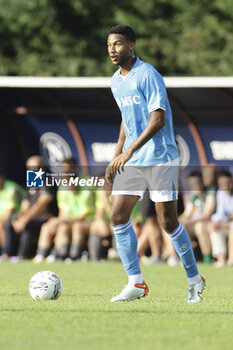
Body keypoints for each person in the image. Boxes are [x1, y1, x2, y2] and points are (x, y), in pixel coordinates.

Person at [105, 24, 205, 303]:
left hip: (160, 157)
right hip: (133, 159)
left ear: (132, 45)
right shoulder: (115, 81)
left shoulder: (148, 74)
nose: (113, 49)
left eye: (119, 44)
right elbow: (127, 120)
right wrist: (117, 155)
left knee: (167, 221)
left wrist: (129, 151)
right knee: (117, 216)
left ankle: (195, 279)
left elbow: (157, 119)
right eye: (110, 45)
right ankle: (136, 282)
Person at [2, 156, 57, 260]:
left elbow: (40, 205)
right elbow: (25, 205)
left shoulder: (49, 181)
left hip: (45, 218)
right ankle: (6, 254)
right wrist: (18, 218)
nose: (33, 170)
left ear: (42, 168)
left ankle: (22, 255)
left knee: (28, 224)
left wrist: (24, 219)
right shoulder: (32, 183)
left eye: (36, 167)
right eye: (30, 168)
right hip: (31, 218)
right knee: (9, 222)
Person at [179, 171, 215, 264]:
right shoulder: (193, 194)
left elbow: (207, 215)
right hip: (195, 223)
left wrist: (188, 221)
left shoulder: (210, 191)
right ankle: (187, 258)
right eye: (192, 184)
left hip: (210, 223)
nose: (195, 186)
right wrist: (179, 221)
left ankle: (207, 259)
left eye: (197, 182)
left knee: (200, 227)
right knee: (178, 227)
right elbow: (187, 213)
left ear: (202, 181)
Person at [209, 171, 233, 267]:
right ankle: (221, 260)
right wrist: (215, 222)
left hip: (230, 225)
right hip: (226, 224)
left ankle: (231, 259)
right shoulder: (220, 193)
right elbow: (220, 214)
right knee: (214, 229)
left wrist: (225, 222)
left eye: (227, 182)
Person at [0, 169, 24, 256]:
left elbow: (8, 214)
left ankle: (6, 253)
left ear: (2, 178)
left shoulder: (11, 189)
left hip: (16, 217)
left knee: (1, 223)